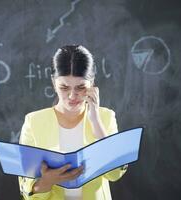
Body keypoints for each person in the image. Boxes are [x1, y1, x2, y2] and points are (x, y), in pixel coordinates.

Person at [18, 45, 128, 200]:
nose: (72, 96)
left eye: (81, 87)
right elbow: (27, 191)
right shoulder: (34, 122)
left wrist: (95, 120)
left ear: (92, 84)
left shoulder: (106, 117)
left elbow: (115, 174)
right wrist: (47, 181)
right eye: (64, 87)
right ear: (54, 83)